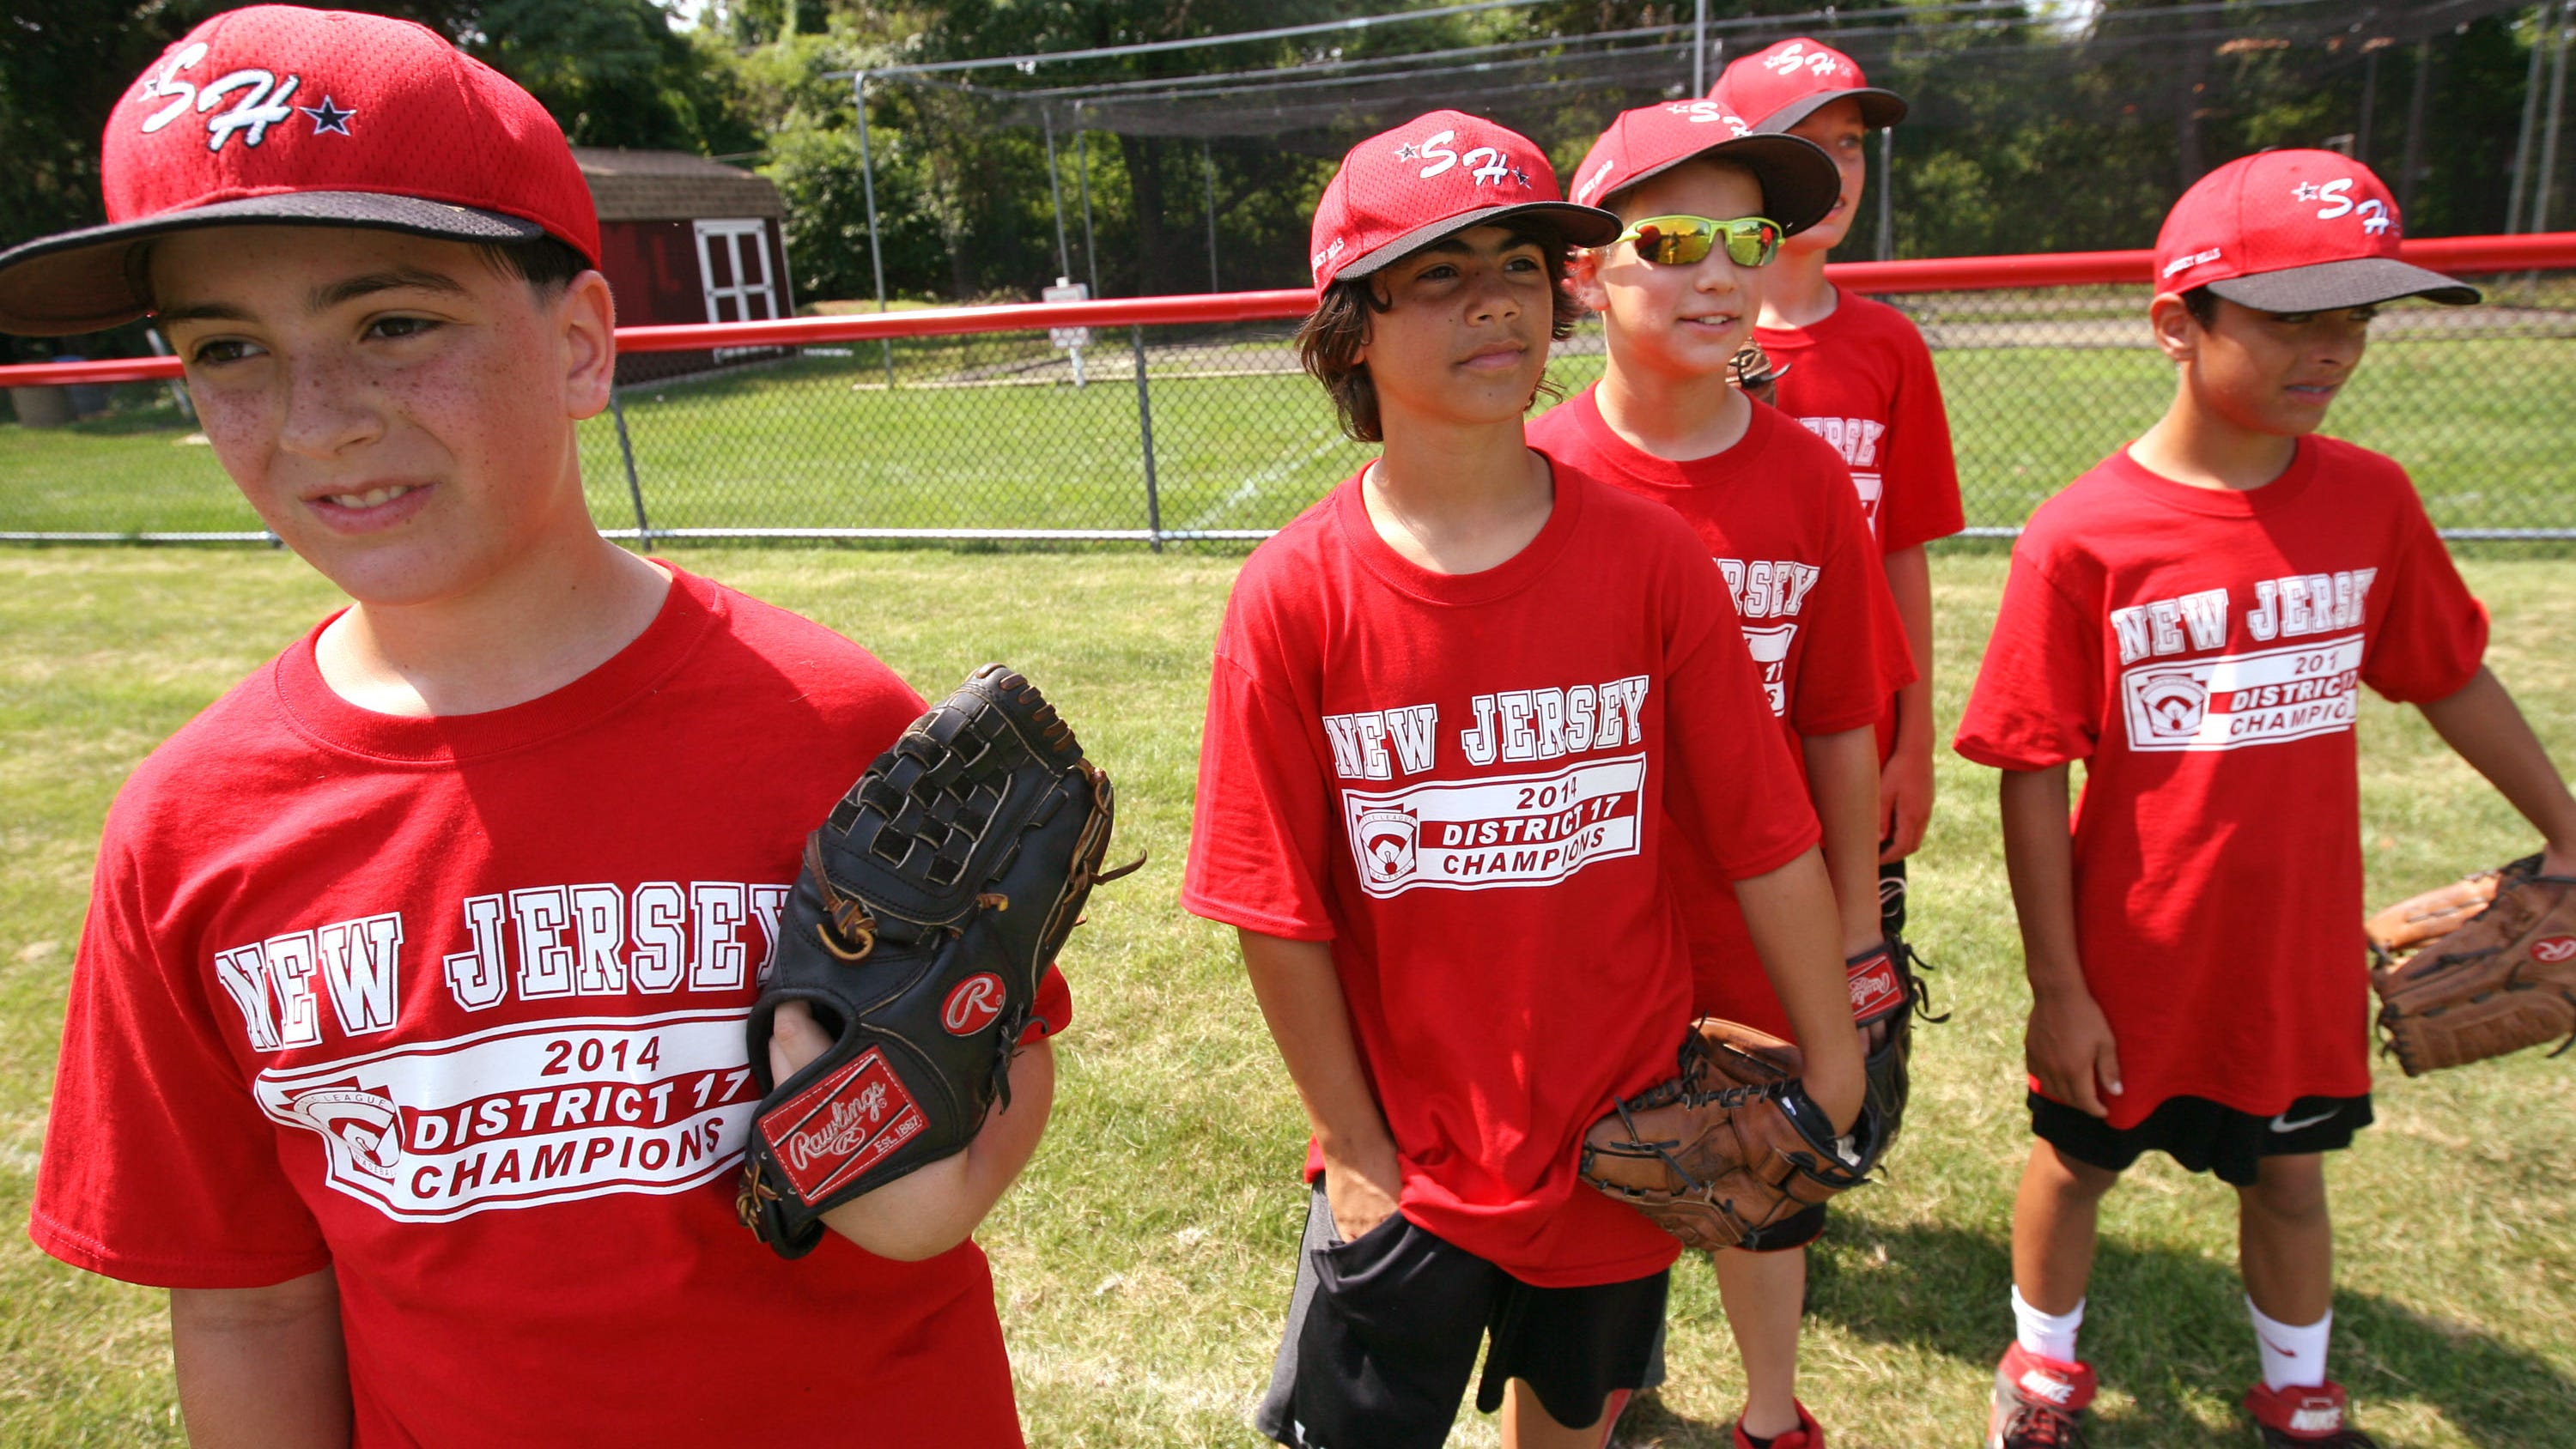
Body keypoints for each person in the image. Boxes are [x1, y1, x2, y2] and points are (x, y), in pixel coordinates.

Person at [0, 9, 1061, 1445]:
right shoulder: (192, 828)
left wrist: (915, 1173)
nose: (315, 419)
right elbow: (247, 1296)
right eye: (229, 347)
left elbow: (1001, 1050)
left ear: (577, 343)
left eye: (391, 323)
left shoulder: (828, 726)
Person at [1182, 109, 1868, 1449]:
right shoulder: (1294, 597)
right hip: (1411, 1160)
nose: (1492, 304)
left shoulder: (1650, 561)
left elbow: (1764, 831)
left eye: (1517, 264)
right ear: (1352, 327)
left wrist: (1833, 1058)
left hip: (1621, 1138)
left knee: (1577, 1426)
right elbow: (1275, 906)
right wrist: (1356, 1143)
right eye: (1440, 273)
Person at [1953, 149, 2576, 1448]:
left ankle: (2298, 1387)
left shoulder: (2371, 500)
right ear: (2179, 325)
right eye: (2295, 316)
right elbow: (2030, 765)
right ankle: (2044, 1367)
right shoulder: (2084, 534)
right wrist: (2060, 987)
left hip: (2291, 945)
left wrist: (2572, 831)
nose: (2335, 349)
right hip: (2136, 947)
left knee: (2292, 1175)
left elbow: (2447, 676)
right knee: (2078, 1161)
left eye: (2357, 317)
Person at [1528, 100, 1917, 1449]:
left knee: (1765, 1168)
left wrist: (1860, 940)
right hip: (1593, 901)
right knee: (1597, 1177)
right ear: (1587, 269)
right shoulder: (1538, 472)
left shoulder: (1807, 480)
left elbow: (1837, 724)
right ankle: (1600, 1384)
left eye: (1745, 238)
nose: (1715, 274)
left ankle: (1768, 1413)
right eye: (1672, 238)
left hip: (1768, 907)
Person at [1710, 37, 1965, 938]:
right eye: (1802, 143)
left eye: (1850, 142)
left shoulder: (1888, 345)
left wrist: (1917, 738)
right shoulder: (1692, 338)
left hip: (1858, 728)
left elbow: (1903, 549)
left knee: (1865, 977)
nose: (1835, 169)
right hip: (1733, 715)